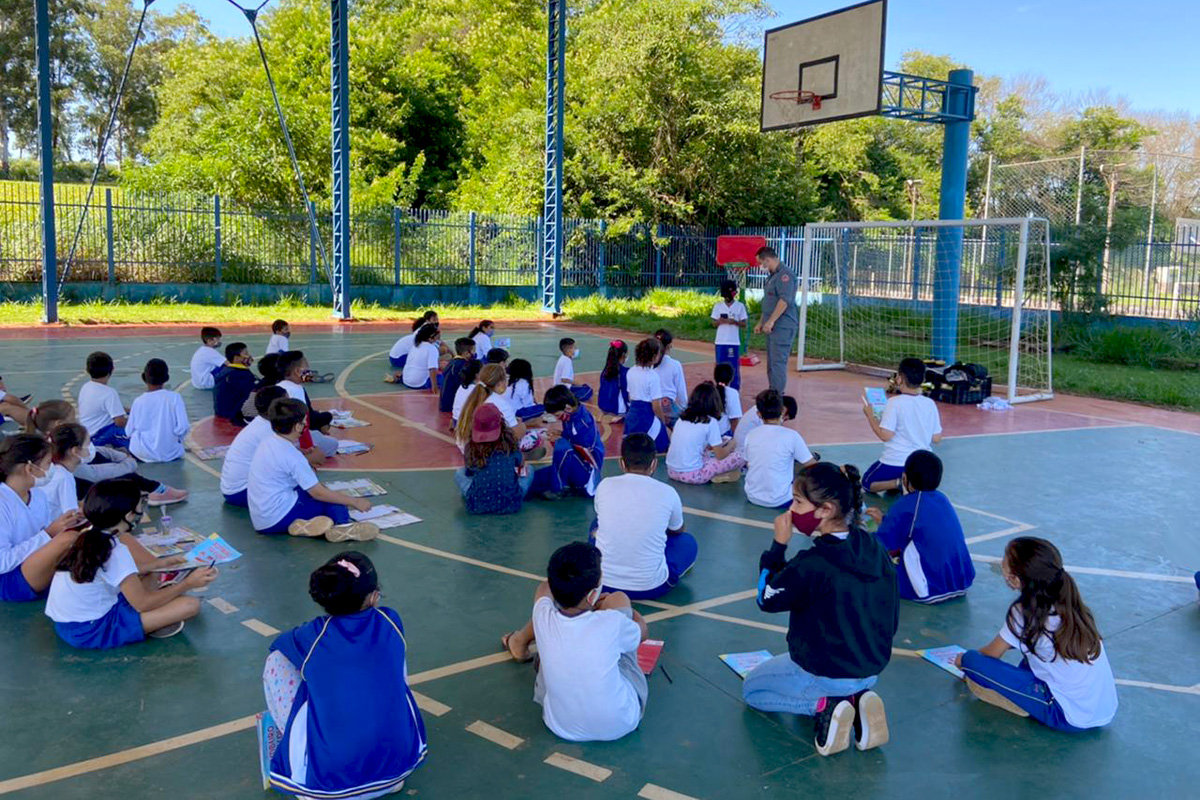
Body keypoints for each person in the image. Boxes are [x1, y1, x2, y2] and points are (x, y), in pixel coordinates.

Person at [745, 462, 898, 756]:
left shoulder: (812, 564)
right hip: (869, 667)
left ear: (825, 510)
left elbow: (766, 599)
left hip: (824, 672)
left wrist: (777, 546)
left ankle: (824, 706)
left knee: (753, 690)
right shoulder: (873, 547)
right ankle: (858, 700)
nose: (791, 509)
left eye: (798, 502)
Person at [264, 552, 427, 797]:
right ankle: (386, 769)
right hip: (397, 769)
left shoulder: (314, 634)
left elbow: (280, 645)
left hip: (327, 787)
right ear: (373, 597)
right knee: (391, 663)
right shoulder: (391, 619)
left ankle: (301, 754)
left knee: (277, 661)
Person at [956, 537, 1118, 732]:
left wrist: (962, 659)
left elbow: (990, 655)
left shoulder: (1024, 612)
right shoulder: (1071, 603)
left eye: (1005, 560)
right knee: (1029, 658)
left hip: (1066, 714)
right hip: (1102, 709)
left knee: (972, 661)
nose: (1001, 563)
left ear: (1015, 579)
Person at [501, 542, 649, 742]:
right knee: (620, 600)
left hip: (559, 724)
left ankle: (520, 644)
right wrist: (611, 611)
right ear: (591, 594)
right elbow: (642, 632)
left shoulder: (543, 615)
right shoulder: (611, 623)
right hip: (621, 722)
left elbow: (544, 588)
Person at [45, 479, 218, 647]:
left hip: (67, 626)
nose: (142, 510)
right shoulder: (116, 550)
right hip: (92, 631)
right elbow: (142, 604)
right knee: (190, 605)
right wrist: (188, 583)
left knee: (152, 573)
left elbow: (112, 572)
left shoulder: (88, 536)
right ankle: (151, 623)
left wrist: (158, 564)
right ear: (128, 515)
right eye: (140, 505)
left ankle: (156, 608)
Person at [247, 398, 379, 541]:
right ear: (298, 426)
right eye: (304, 422)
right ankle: (342, 527)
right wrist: (355, 502)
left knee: (309, 492)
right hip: (279, 517)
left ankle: (302, 525)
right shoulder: (293, 456)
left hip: (262, 519)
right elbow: (319, 494)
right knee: (334, 501)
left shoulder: (268, 442)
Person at [592, 433, 697, 599]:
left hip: (602, 583)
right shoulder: (667, 492)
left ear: (621, 462)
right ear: (654, 464)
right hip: (650, 587)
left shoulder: (605, 485)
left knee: (596, 525)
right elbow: (677, 529)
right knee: (688, 543)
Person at [26, 400, 188, 506]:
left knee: (110, 463)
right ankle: (156, 490)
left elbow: (94, 452)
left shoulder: (57, 444)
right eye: (73, 419)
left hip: (85, 476)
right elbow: (94, 473)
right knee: (121, 480)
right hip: (83, 484)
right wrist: (127, 464)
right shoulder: (64, 471)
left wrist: (117, 457)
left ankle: (151, 489)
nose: (77, 421)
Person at [865, 450, 975, 604]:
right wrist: (884, 520)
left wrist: (855, 532)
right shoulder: (942, 498)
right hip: (962, 582)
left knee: (870, 566)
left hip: (927, 589)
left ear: (904, 478)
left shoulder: (906, 503)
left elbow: (880, 545)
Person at [0, 435, 87, 602]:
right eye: (48, 463)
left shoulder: (38, 495)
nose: (52, 468)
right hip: (9, 578)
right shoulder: (2, 502)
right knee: (66, 540)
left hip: (37, 563)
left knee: (90, 534)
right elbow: (2, 563)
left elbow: (45, 535)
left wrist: (69, 522)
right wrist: (49, 534)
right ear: (30, 469)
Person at [862, 357, 942, 493]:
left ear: (900, 378)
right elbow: (936, 438)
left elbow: (885, 435)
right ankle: (908, 482)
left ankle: (898, 482)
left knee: (866, 483)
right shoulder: (930, 403)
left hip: (896, 461)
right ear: (923, 380)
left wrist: (870, 415)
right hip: (920, 464)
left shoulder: (894, 402)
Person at [743, 390, 819, 507]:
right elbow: (813, 466)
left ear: (759, 414)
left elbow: (748, 463)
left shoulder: (750, 434)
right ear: (782, 411)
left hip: (752, 496)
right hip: (781, 499)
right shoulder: (792, 436)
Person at [455, 404, 533, 515]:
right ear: (500, 422)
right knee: (529, 469)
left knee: (459, 473)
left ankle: (480, 491)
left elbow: (469, 471)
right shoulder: (509, 443)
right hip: (511, 504)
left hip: (477, 505)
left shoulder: (470, 447)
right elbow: (519, 463)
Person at [529, 385, 604, 499]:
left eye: (558, 415)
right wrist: (561, 433)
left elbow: (586, 452)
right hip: (573, 463)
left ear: (568, 408)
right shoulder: (572, 415)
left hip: (586, 472)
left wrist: (561, 439)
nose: (558, 418)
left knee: (561, 445)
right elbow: (574, 438)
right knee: (532, 479)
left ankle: (558, 489)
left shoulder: (583, 422)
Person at [221, 386, 288, 507]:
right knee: (308, 495)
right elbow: (284, 466)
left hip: (234, 490)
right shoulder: (270, 431)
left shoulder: (261, 423)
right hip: (243, 492)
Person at [665, 382, 744, 484]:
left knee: (707, 454)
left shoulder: (682, 419)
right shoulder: (711, 421)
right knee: (739, 457)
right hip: (694, 475)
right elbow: (720, 455)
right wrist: (731, 444)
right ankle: (720, 474)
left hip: (671, 471)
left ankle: (717, 473)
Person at [753, 246, 798, 393]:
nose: (761, 267)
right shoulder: (772, 276)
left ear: (768, 260)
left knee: (778, 362)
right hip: (771, 326)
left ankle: (777, 395)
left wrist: (771, 321)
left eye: (761, 263)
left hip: (782, 326)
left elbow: (784, 301)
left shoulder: (785, 275)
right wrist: (762, 322)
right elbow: (769, 302)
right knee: (771, 363)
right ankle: (772, 391)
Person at [277, 351, 339, 459]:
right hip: (291, 437)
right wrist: (308, 448)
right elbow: (302, 424)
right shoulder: (295, 390)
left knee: (318, 436)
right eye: (306, 367)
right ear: (297, 371)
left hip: (282, 435)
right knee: (332, 445)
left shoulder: (281, 385)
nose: (309, 371)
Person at [126, 359, 189, 463]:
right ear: (166, 378)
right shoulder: (174, 397)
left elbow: (129, 431)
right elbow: (183, 426)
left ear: (144, 378)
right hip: (170, 453)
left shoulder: (138, 401)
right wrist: (175, 438)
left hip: (142, 453)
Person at [624, 338, 670, 453]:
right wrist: (662, 420)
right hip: (647, 417)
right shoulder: (652, 376)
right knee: (661, 445)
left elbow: (630, 396)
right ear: (654, 356)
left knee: (634, 447)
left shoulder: (631, 371)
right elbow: (656, 406)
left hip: (632, 415)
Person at [78, 351, 129, 448]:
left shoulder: (86, 387)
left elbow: (107, 408)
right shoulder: (109, 392)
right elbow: (120, 422)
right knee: (135, 432)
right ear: (112, 369)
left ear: (87, 370)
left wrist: (130, 410)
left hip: (87, 433)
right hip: (99, 436)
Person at [44, 423, 89, 518]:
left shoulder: (53, 469)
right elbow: (71, 515)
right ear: (75, 451)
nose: (89, 452)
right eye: (87, 446)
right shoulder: (64, 477)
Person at [734, 391, 797, 455]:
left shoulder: (764, 409)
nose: (782, 419)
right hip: (744, 453)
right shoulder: (765, 415)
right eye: (784, 416)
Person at [712, 279, 748, 390]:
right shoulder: (718, 306)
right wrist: (720, 321)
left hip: (733, 342)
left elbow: (744, 323)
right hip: (720, 341)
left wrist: (734, 322)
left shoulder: (740, 306)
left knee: (733, 366)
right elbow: (713, 323)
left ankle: (734, 388)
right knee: (720, 366)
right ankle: (720, 387)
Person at [213, 342, 259, 426]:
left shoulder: (226, 370)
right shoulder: (240, 375)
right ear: (236, 358)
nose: (249, 356)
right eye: (245, 353)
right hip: (231, 413)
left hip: (222, 411)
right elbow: (249, 394)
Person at [653, 329, 687, 422]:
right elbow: (682, 395)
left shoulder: (648, 364)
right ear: (669, 346)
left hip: (650, 407)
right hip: (667, 407)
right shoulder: (675, 365)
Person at [439, 337, 477, 414]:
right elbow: (463, 385)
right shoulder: (463, 365)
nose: (474, 353)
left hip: (445, 403)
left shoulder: (452, 362)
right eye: (473, 351)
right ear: (466, 353)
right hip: (452, 405)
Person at [400, 324, 442, 393]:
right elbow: (432, 369)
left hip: (406, 380)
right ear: (430, 338)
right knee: (446, 379)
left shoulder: (415, 346)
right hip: (420, 383)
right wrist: (434, 386)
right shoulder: (432, 349)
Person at [597, 340, 629, 422]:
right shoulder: (624, 372)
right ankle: (621, 415)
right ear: (623, 355)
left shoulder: (605, 370)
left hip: (603, 404)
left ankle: (603, 412)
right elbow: (627, 393)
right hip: (617, 407)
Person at [553, 337, 593, 403]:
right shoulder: (567, 361)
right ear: (569, 349)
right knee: (588, 390)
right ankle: (567, 398)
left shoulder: (563, 358)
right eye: (574, 348)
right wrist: (578, 384)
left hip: (560, 388)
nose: (576, 350)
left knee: (584, 387)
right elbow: (564, 379)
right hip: (564, 390)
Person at [451, 359, 484, 428]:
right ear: (477, 375)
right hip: (465, 424)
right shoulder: (477, 389)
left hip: (456, 420)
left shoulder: (462, 386)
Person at [713, 362, 743, 436]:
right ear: (731, 378)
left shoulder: (709, 390)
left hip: (708, 434)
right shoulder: (732, 393)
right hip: (722, 434)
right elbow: (734, 420)